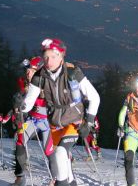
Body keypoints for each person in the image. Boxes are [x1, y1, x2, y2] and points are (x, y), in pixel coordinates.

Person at [21, 38, 100, 186]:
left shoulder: (72, 72)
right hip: (54, 124)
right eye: (46, 56)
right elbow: (28, 103)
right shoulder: (39, 77)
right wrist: (20, 105)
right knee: (62, 161)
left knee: (60, 153)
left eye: (54, 56)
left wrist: (88, 123)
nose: (49, 60)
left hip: (73, 122)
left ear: (62, 56)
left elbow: (94, 97)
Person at [0, 56, 57, 186]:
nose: (28, 73)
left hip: (46, 123)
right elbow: (19, 105)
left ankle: (55, 180)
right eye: (27, 70)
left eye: (31, 70)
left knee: (48, 151)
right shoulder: (26, 85)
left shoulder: (47, 84)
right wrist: (7, 117)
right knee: (20, 140)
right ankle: (20, 178)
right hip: (33, 120)